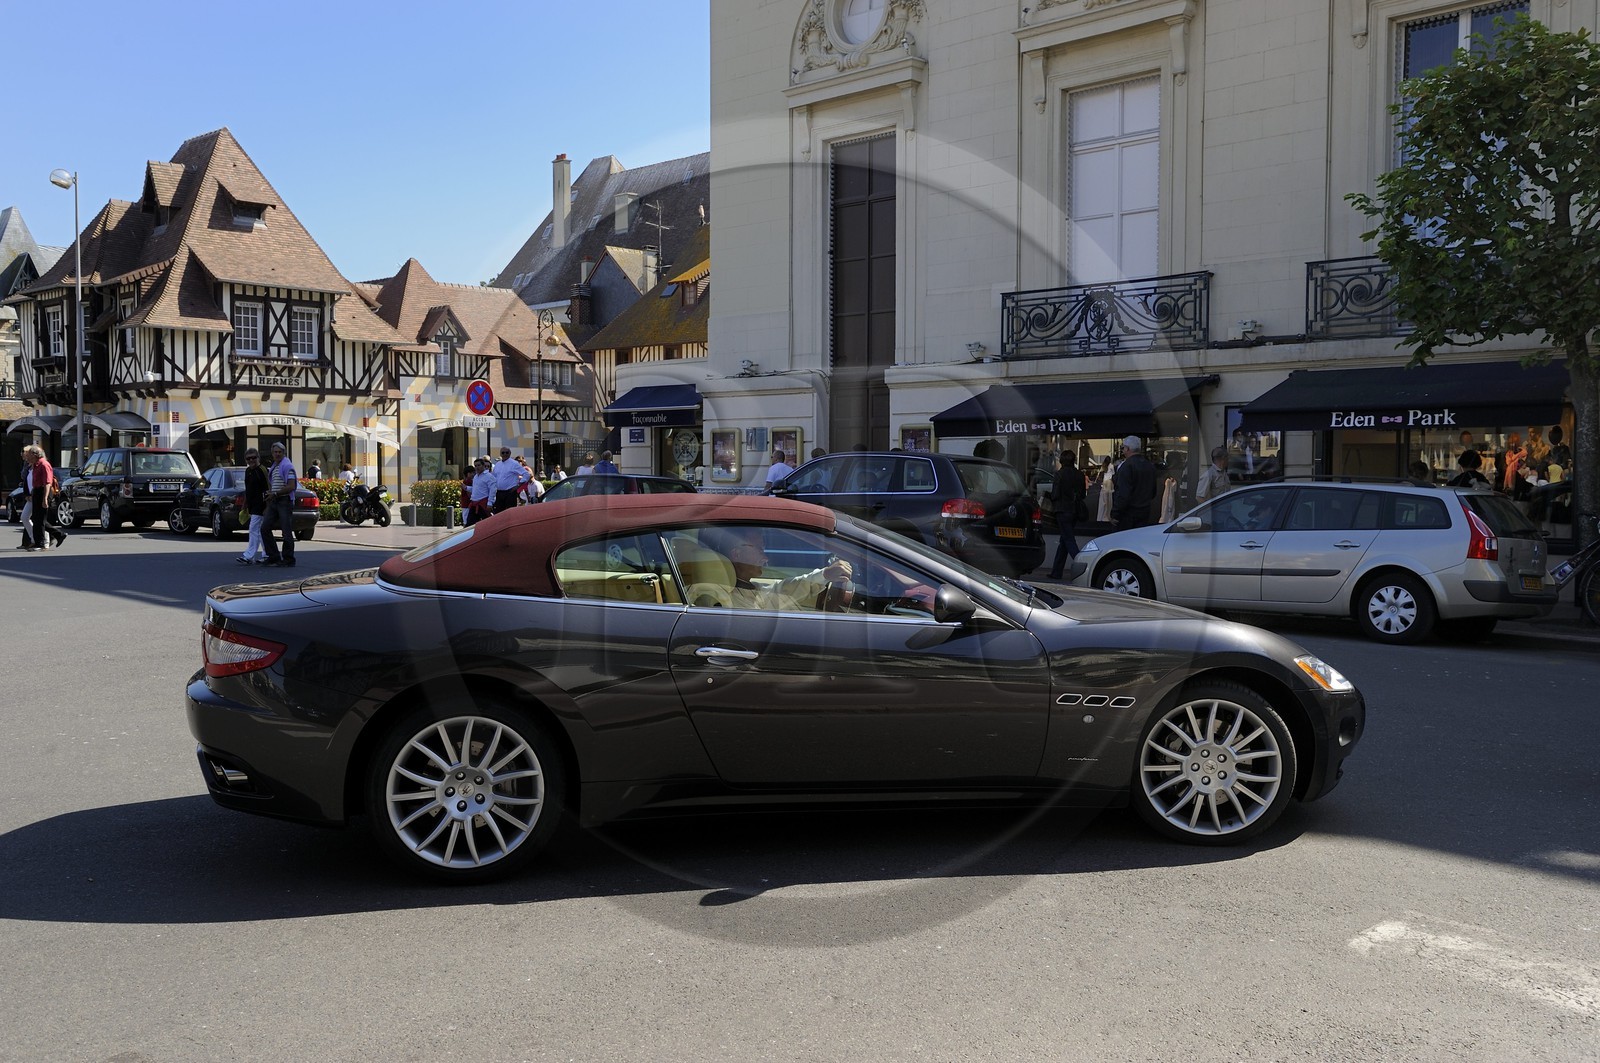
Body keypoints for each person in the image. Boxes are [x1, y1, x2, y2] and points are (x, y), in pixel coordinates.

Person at [714, 528, 853, 612]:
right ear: (737, 554)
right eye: (758, 549)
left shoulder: (750, 587)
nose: (766, 558)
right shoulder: (729, 601)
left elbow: (784, 589)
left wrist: (825, 575)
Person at [1046, 451, 1087, 580]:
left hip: (1062, 510)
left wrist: (1049, 496)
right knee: (1064, 541)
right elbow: (1082, 495)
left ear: (1062, 461)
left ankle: (1083, 566)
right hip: (1075, 511)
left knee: (1068, 540)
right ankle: (1056, 572)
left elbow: (1055, 494)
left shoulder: (1059, 474)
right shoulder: (1080, 475)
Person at [20, 444, 67, 551]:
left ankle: (41, 543)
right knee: (37, 519)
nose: (28, 457)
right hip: (36, 492)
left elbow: (47, 483)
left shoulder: (44, 465)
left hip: (43, 492)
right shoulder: (35, 465)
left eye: (30, 454)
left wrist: (45, 498)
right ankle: (57, 535)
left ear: (36, 454)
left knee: (39, 519)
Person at [259, 441, 298, 567]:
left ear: (283, 453)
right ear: (272, 453)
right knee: (264, 528)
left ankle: (288, 559)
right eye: (275, 452)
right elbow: (274, 484)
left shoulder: (287, 466)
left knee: (286, 531)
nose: (277, 454)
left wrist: (275, 494)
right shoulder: (276, 466)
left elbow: (291, 486)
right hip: (275, 501)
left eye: (279, 452)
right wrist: (271, 497)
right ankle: (274, 556)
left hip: (284, 501)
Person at [1111, 436, 1158, 529]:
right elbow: (1153, 492)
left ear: (1128, 449)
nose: (1122, 450)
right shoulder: (1149, 465)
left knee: (1123, 541)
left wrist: (1115, 513)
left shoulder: (1126, 467)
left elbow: (1123, 494)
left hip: (1128, 514)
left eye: (1123, 448)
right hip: (1144, 511)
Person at [238, 447, 270, 564]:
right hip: (253, 505)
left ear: (258, 458)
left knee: (253, 529)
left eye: (253, 458)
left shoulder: (262, 470)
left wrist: (267, 506)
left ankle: (249, 555)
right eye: (248, 458)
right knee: (260, 531)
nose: (251, 460)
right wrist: (245, 504)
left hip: (261, 504)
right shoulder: (248, 471)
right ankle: (267, 554)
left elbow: (267, 489)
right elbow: (248, 489)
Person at [491, 447, 529, 513]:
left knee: (510, 513)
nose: (505, 454)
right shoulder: (497, 464)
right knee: (498, 513)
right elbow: (493, 478)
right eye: (503, 453)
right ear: (500, 454)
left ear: (510, 453)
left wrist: (518, 485)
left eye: (507, 452)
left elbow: (526, 474)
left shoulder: (514, 463)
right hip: (499, 493)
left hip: (510, 492)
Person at [467, 457, 494, 524]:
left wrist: (490, 503)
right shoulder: (476, 477)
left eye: (479, 465)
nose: (477, 467)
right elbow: (475, 489)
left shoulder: (489, 476)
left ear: (483, 466)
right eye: (475, 466)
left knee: (487, 523)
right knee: (470, 524)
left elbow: (492, 490)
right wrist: (466, 488)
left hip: (483, 503)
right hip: (474, 503)